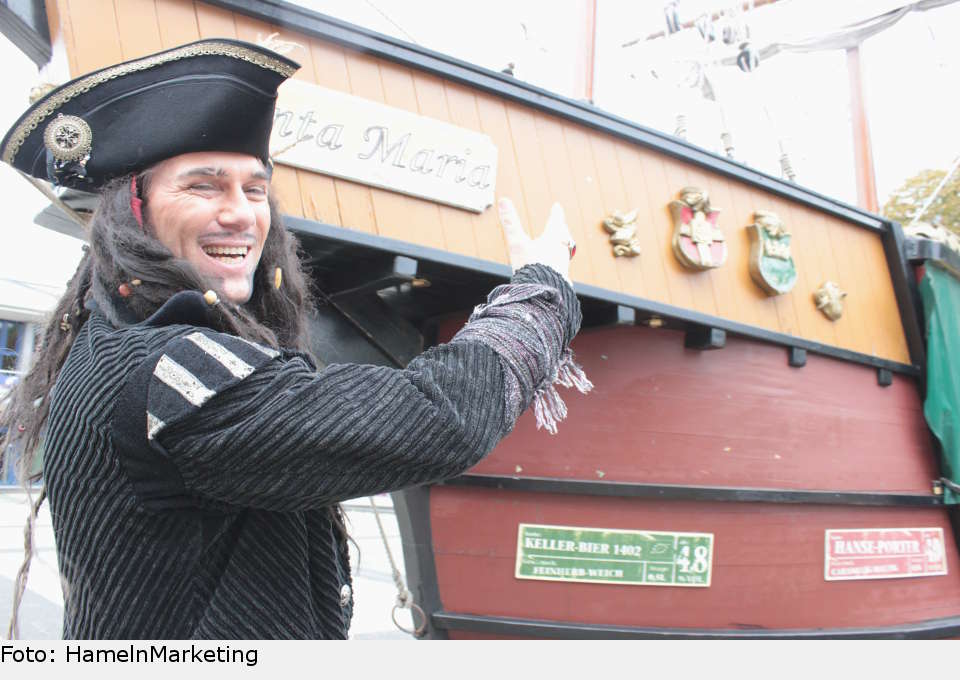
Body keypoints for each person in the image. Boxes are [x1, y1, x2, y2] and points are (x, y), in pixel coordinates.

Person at [0, 39, 589, 639]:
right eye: (204, 186)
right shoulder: (169, 369)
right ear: (134, 211)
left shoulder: (110, 337)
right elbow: (438, 417)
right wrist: (540, 294)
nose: (242, 214)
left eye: (255, 191)